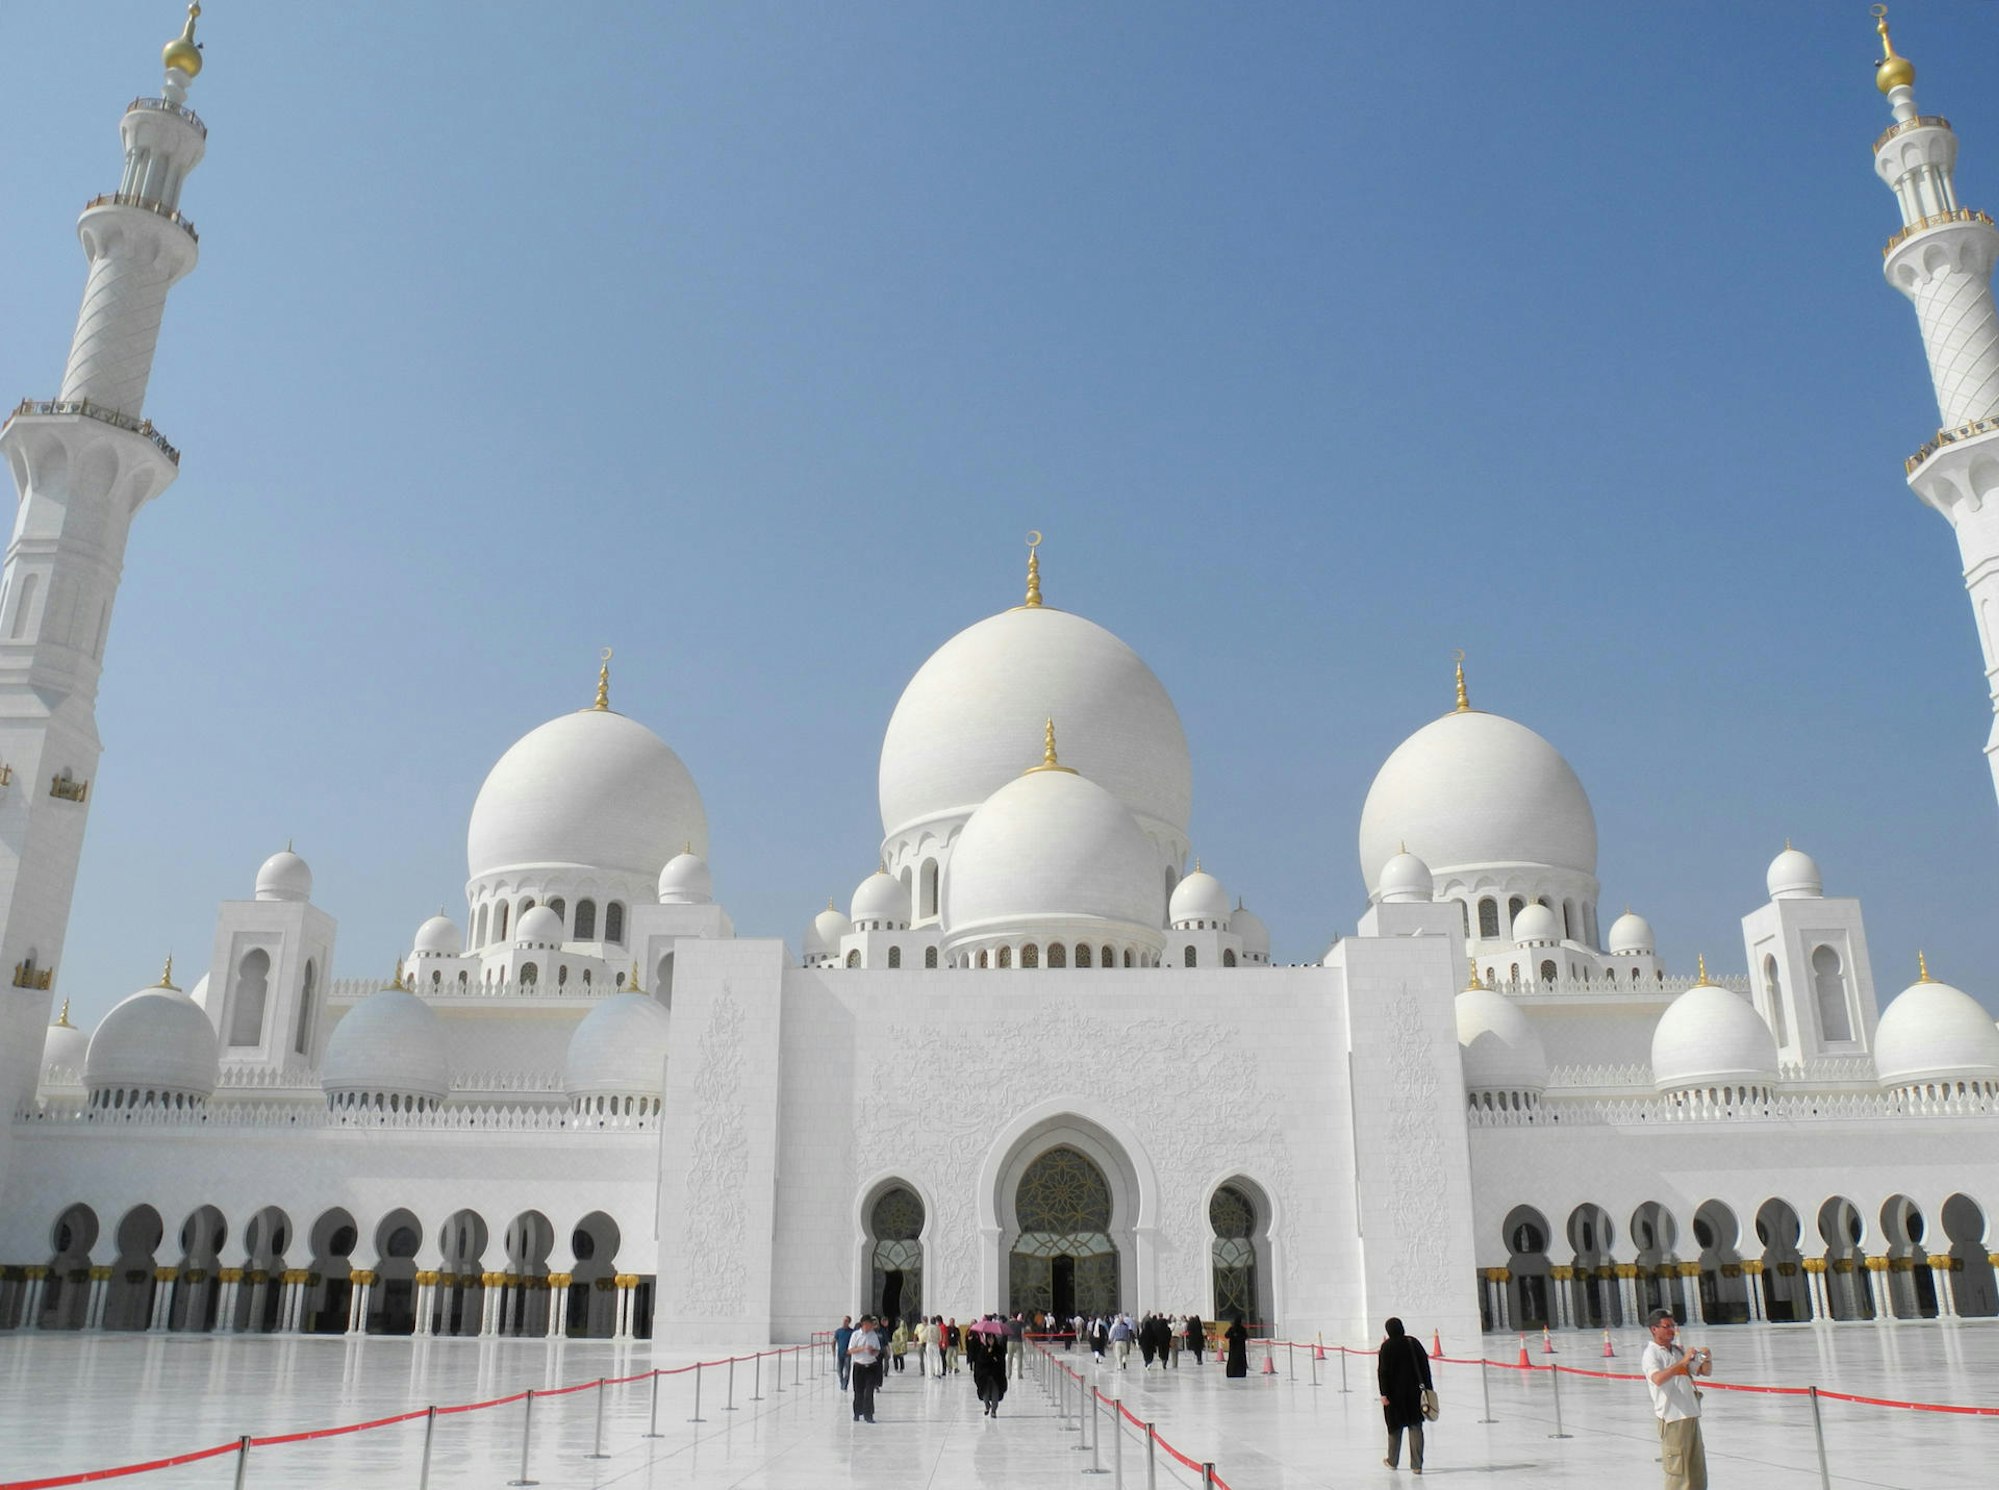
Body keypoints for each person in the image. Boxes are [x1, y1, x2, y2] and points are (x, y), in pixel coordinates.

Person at [1642, 1308, 1711, 1490]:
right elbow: (1657, 1379)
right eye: (1666, 1326)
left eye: (1673, 1326)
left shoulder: (1677, 1351)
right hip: (1672, 1418)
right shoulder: (1652, 1353)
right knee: (1678, 1473)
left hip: (1690, 1415)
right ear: (1654, 1329)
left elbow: (1703, 1371)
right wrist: (1681, 1362)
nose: (1671, 1330)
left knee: (1696, 1470)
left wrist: (1707, 1358)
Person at [1376, 1317, 1434, 1475]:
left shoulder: (1386, 1346)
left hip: (1394, 1395)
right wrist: (1429, 1389)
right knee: (1415, 1426)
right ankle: (1417, 1465)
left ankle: (1392, 1460)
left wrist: (1384, 1393)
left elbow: (1383, 1372)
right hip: (1415, 1393)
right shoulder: (1412, 1342)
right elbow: (1424, 1366)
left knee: (1395, 1427)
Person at [847, 1316, 883, 1423]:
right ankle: (857, 1413)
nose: (871, 1326)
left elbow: (878, 1351)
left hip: (871, 1367)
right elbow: (850, 1350)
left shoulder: (873, 1335)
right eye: (869, 1323)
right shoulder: (856, 1335)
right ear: (864, 1324)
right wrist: (863, 1348)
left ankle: (869, 1415)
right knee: (858, 1392)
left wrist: (873, 1351)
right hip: (859, 1367)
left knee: (869, 1392)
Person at [1223, 1312, 1249, 1378]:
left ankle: (1232, 1372)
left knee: (1232, 1361)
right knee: (1240, 1361)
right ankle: (1240, 1373)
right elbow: (1245, 1336)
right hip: (1241, 1349)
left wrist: (1233, 1336)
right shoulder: (1242, 1329)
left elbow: (1226, 1335)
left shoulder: (1232, 1328)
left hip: (1233, 1349)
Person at [834, 1315, 854, 1390]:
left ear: (849, 1322)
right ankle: (842, 1381)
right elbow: (834, 1341)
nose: (844, 1322)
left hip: (847, 1354)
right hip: (840, 1353)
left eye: (846, 1321)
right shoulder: (838, 1331)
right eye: (844, 1320)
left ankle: (845, 1385)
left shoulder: (851, 1332)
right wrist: (833, 1351)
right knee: (839, 1370)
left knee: (847, 1371)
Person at [1006, 1311, 1026, 1378]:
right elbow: (1023, 1333)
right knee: (1019, 1359)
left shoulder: (1008, 1323)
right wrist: (1023, 1341)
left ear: (1012, 1316)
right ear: (1017, 1316)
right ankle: (1019, 1374)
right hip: (1018, 1342)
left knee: (1009, 1358)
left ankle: (1009, 1374)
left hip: (1010, 1341)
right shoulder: (1021, 1323)